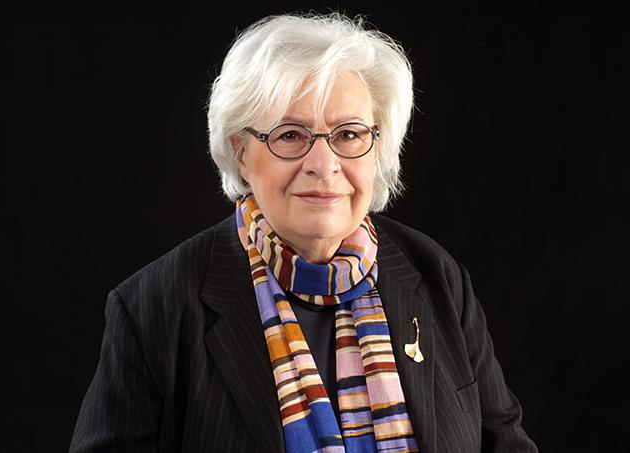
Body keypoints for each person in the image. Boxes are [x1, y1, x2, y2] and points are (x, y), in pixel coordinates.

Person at [69, 13, 538, 453]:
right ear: (242, 154)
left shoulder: (436, 277)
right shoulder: (155, 306)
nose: (324, 164)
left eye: (349, 134)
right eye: (290, 135)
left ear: (378, 147)